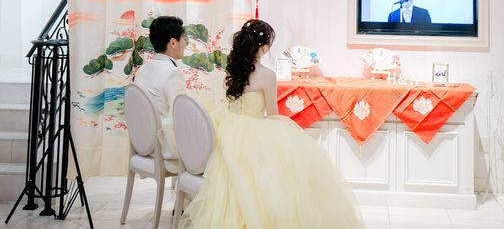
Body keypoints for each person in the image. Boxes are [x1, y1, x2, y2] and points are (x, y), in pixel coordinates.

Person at [178, 19, 363, 229]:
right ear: (264, 48)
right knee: (284, 171)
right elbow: (273, 114)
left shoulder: (231, 71)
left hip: (226, 130)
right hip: (253, 132)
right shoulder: (267, 75)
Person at [134, 15, 187, 159]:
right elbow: (181, 114)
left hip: (142, 142)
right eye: (184, 39)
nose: (185, 44)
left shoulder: (142, 70)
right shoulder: (172, 72)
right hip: (164, 146)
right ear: (173, 42)